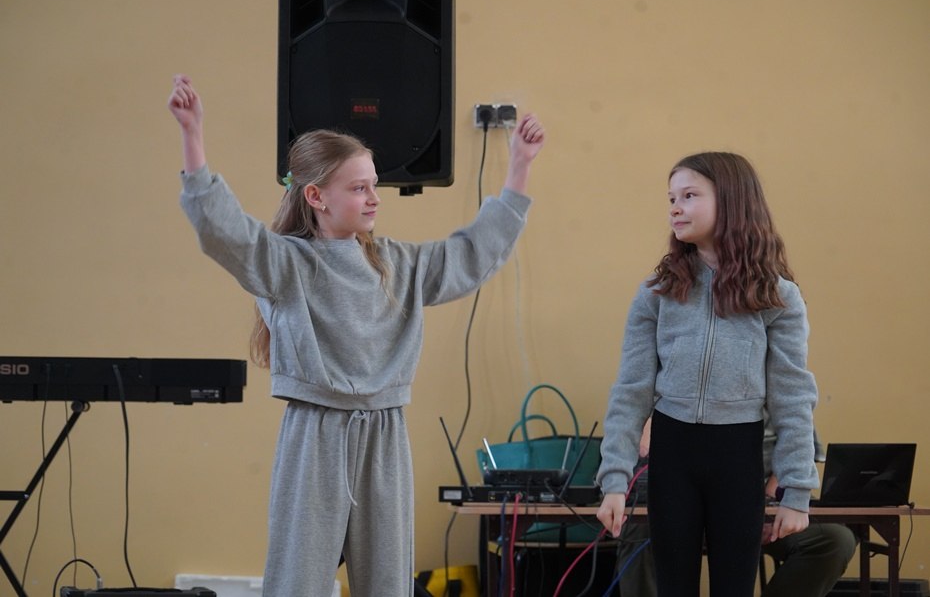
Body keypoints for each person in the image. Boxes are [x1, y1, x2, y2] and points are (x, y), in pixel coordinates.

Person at [167, 74, 545, 597]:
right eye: (359, 187)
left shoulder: (398, 264)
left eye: (374, 185)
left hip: (385, 435)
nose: (374, 198)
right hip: (315, 435)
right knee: (297, 582)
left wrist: (519, 167)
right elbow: (227, 231)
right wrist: (193, 136)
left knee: (388, 584)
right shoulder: (287, 265)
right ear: (316, 196)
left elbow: (472, 254)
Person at [596, 152, 820, 596]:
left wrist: (797, 490)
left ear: (732, 201)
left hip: (738, 456)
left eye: (689, 196)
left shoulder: (777, 298)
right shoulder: (657, 294)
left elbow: (792, 396)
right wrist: (614, 480)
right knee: (673, 586)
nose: (675, 208)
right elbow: (631, 392)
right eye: (671, 199)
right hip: (673, 454)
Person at [613, 416, 859, 597]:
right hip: (682, 504)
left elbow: (800, 449)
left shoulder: (777, 383)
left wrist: (764, 508)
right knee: (638, 530)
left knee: (835, 539)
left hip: (761, 504)